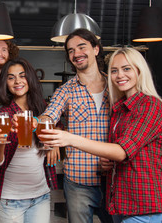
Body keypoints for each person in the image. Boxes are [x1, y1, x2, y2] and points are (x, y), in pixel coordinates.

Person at [41, 47, 162, 223]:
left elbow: (122, 151)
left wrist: (69, 138)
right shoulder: (120, 108)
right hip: (121, 202)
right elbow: (129, 152)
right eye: (114, 71)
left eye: (126, 68)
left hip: (144, 206)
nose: (120, 75)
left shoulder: (150, 105)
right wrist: (110, 161)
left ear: (139, 70)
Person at [40, 28, 113, 223]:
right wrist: (49, 129)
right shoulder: (66, 91)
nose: (76, 54)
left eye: (82, 47)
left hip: (115, 179)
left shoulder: (115, 86)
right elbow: (49, 115)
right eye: (71, 50)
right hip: (79, 181)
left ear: (96, 49)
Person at [0, 58, 59, 223]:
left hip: (41, 195)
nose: (17, 81)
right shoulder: (2, 116)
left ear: (30, 78)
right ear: (5, 83)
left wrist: (54, 141)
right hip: (10, 199)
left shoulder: (44, 108)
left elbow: (58, 127)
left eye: (22, 75)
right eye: (11, 77)